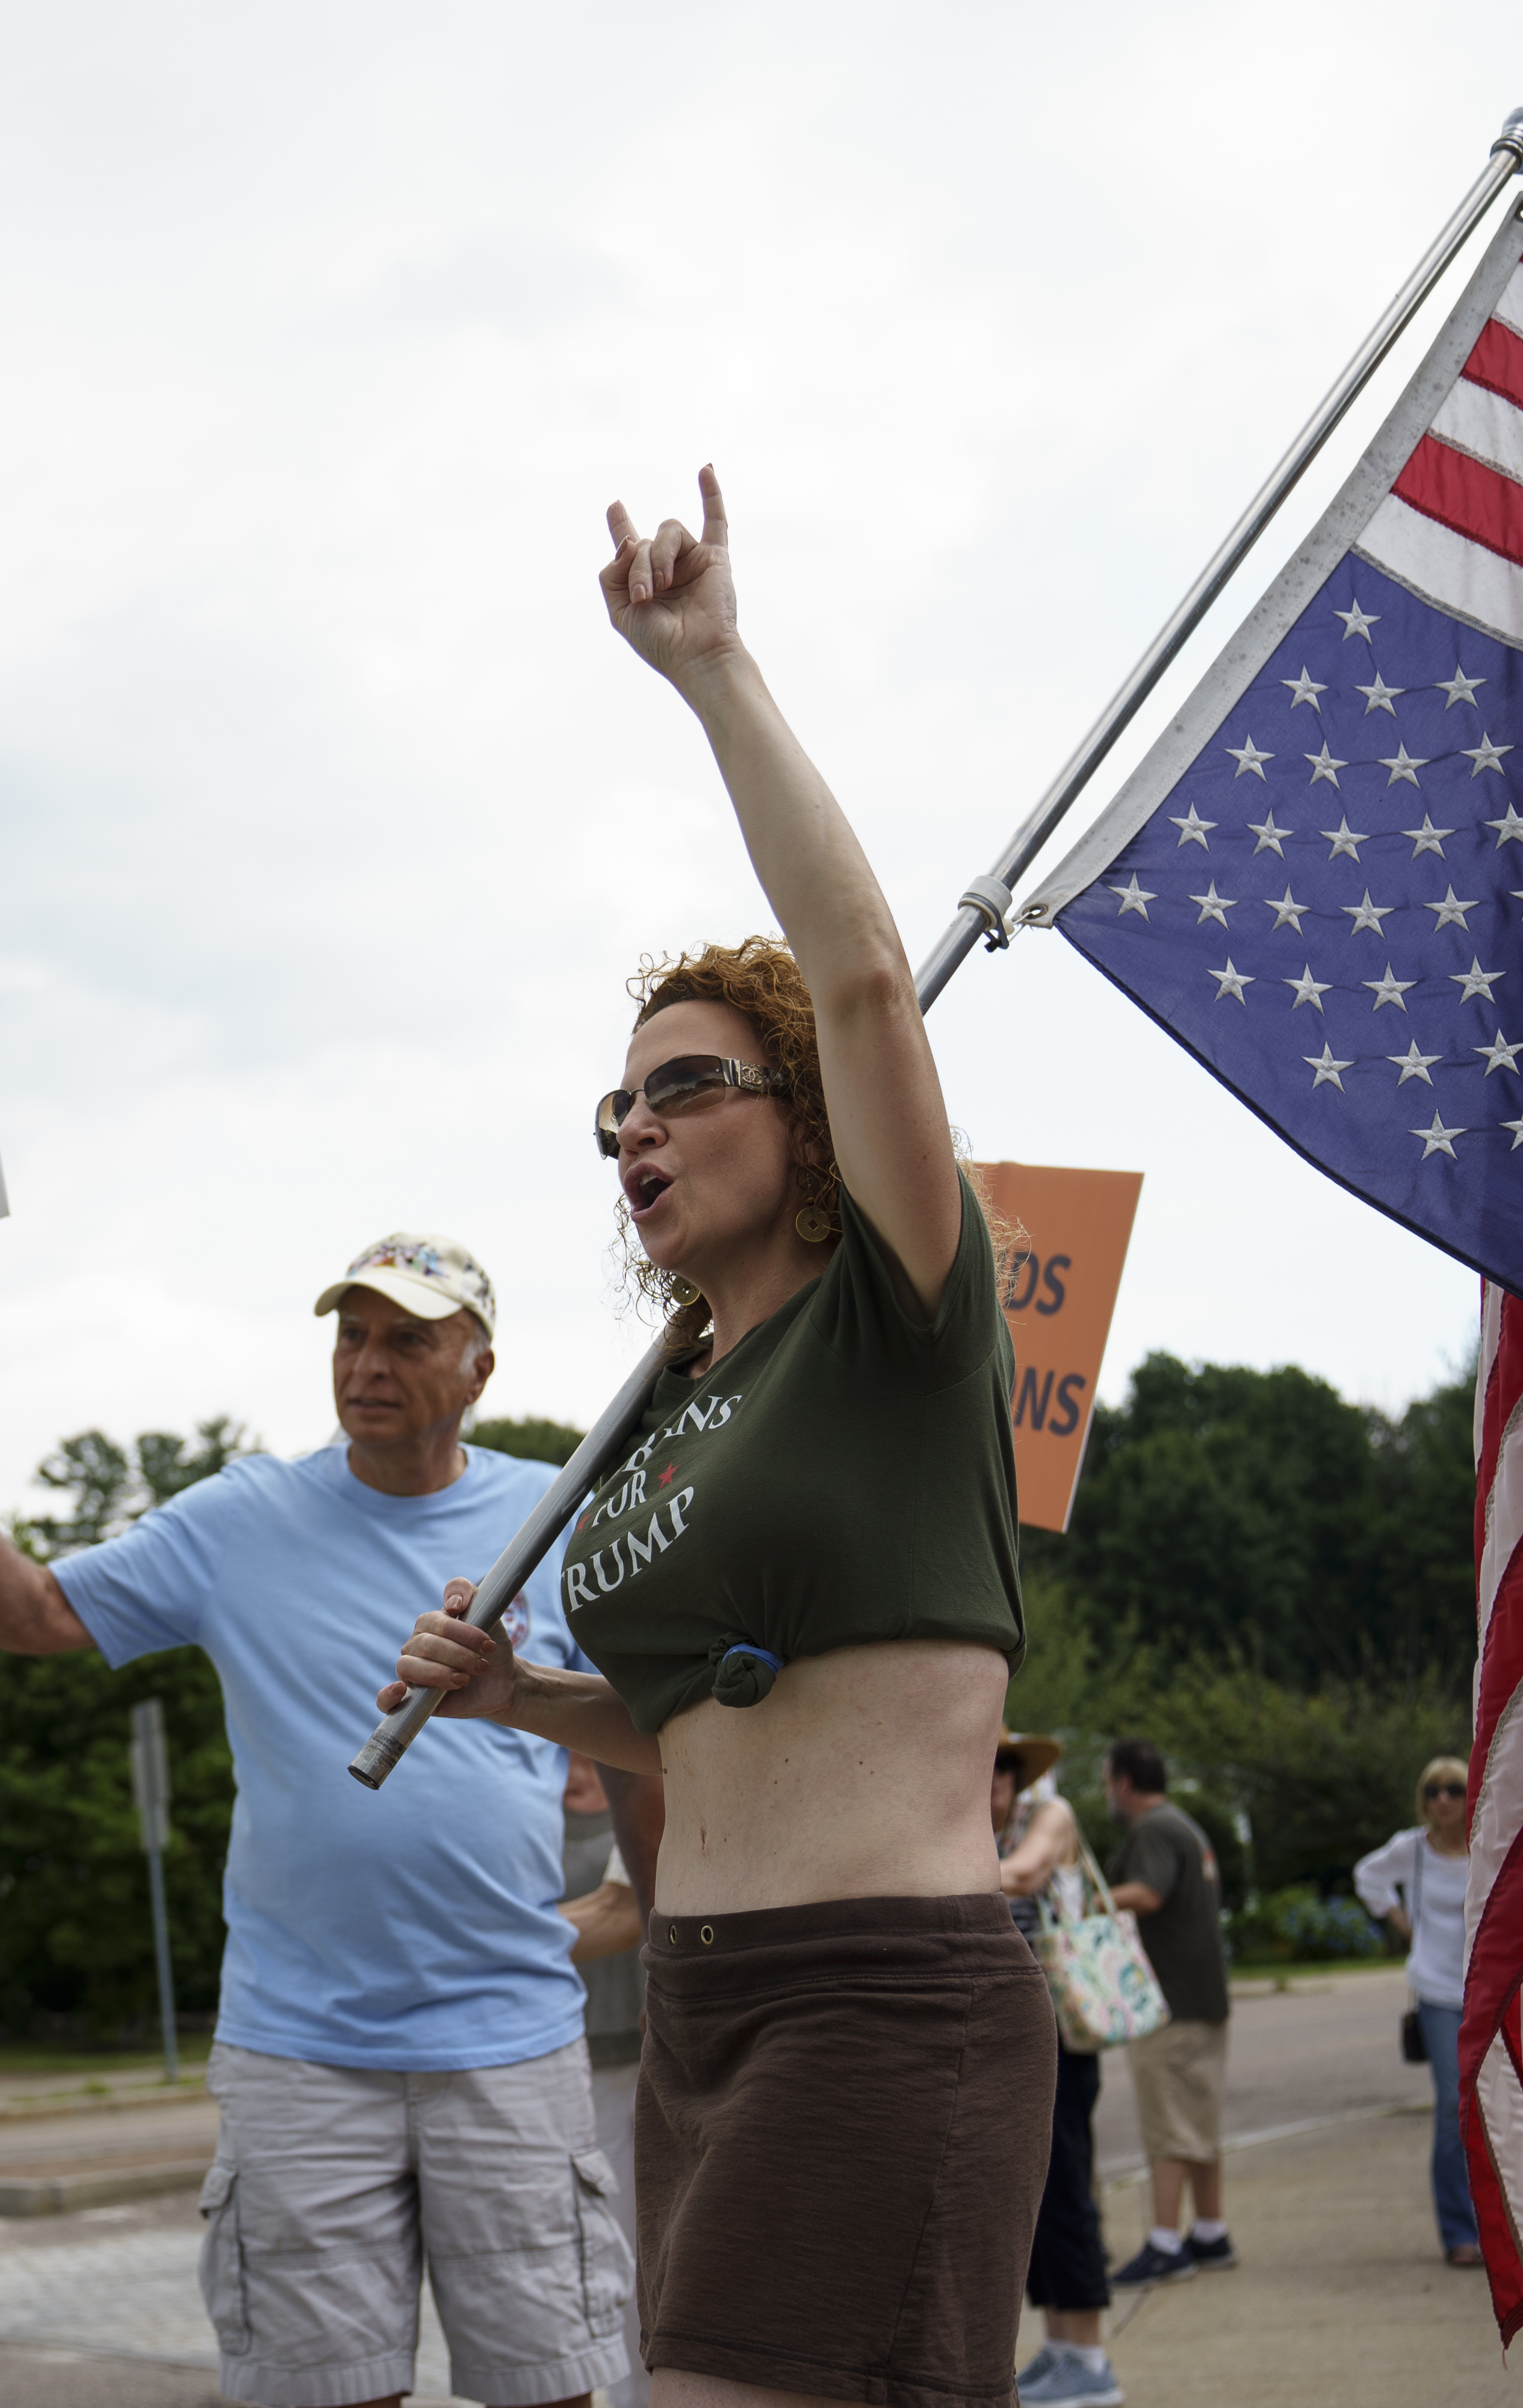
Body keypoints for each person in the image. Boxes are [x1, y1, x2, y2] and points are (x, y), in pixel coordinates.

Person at [384, 466, 1053, 2408]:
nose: (639, 1135)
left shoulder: (901, 1316)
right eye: (618, 1115)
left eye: (684, 1089)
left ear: (808, 1111)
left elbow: (860, 974)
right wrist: (528, 1700)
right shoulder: (666, 1403)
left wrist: (713, 672)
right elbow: (691, 1723)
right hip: (692, 2010)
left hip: (884, 1989)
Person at [0, 1233, 632, 2408]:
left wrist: (656, 1884)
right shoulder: (243, 1516)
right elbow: (31, 1613)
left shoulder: (554, 1511)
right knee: (320, 2391)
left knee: (555, 2388)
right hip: (301, 2047)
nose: (368, 1361)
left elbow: (654, 1715)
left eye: (408, 1338)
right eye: (351, 1332)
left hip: (510, 2038)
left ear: (477, 1370)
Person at [997, 1734, 1121, 2408]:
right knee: (1033, 2200)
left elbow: (1024, 1874)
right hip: (1012, 2039)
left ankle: (1092, 2357)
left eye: (997, 1769)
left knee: (1067, 2188)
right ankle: (1064, 2345)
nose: (985, 1782)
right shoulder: (968, 1828)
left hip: (1063, 2037)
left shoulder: (1050, 1816)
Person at [1104, 1736, 1233, 2286]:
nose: (1109, 1792)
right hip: (1205, 1996)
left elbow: (1149, 1894)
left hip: (1170, 2002)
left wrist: (1093, 1899)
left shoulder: (1153, 1830)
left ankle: (1165, 2243)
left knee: (1168, 2126)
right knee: (1200, 2121)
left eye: (1110, 1781)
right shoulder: (1188, 1826)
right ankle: (1210, 2232)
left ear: (1126, 1783)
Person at [1354, 1756, 1481, 2268]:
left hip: (1491, 1991)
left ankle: (1510, 2224)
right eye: (1432, 1791)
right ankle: (1459, 2231)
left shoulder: (1489, 1844)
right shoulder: (1413, 1850)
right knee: (1454, 2106)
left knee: (1503, 2109)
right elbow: (1367, 1876)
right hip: (1437, 1992)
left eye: (1453, 1789)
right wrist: (1405, 1926)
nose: (1442, 1800)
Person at [561, 1757, 659, 2408]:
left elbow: (622, 1915)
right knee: (617, 2253)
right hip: (586, 2062)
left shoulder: (651, 1785)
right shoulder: (542, 1824)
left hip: (657, 2056)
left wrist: (471, 1941)